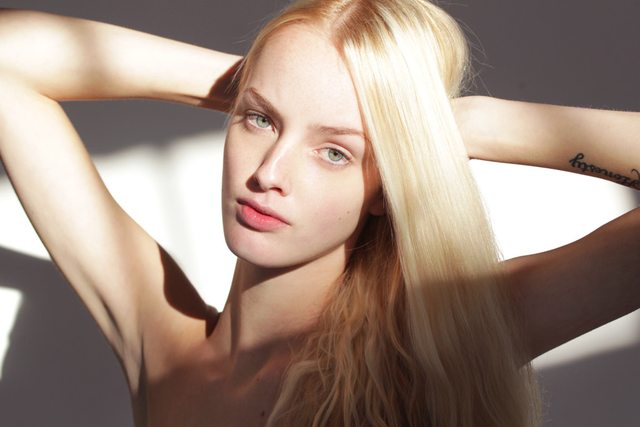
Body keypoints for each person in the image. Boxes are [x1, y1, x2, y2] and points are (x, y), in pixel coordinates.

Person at [0, 0, 637, 425]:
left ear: (387, 187)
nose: (268, 174)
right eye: (259, 121)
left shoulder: (433, 341)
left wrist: (465, 125)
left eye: (334, 152)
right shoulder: (161, 340)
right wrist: (266, 78)